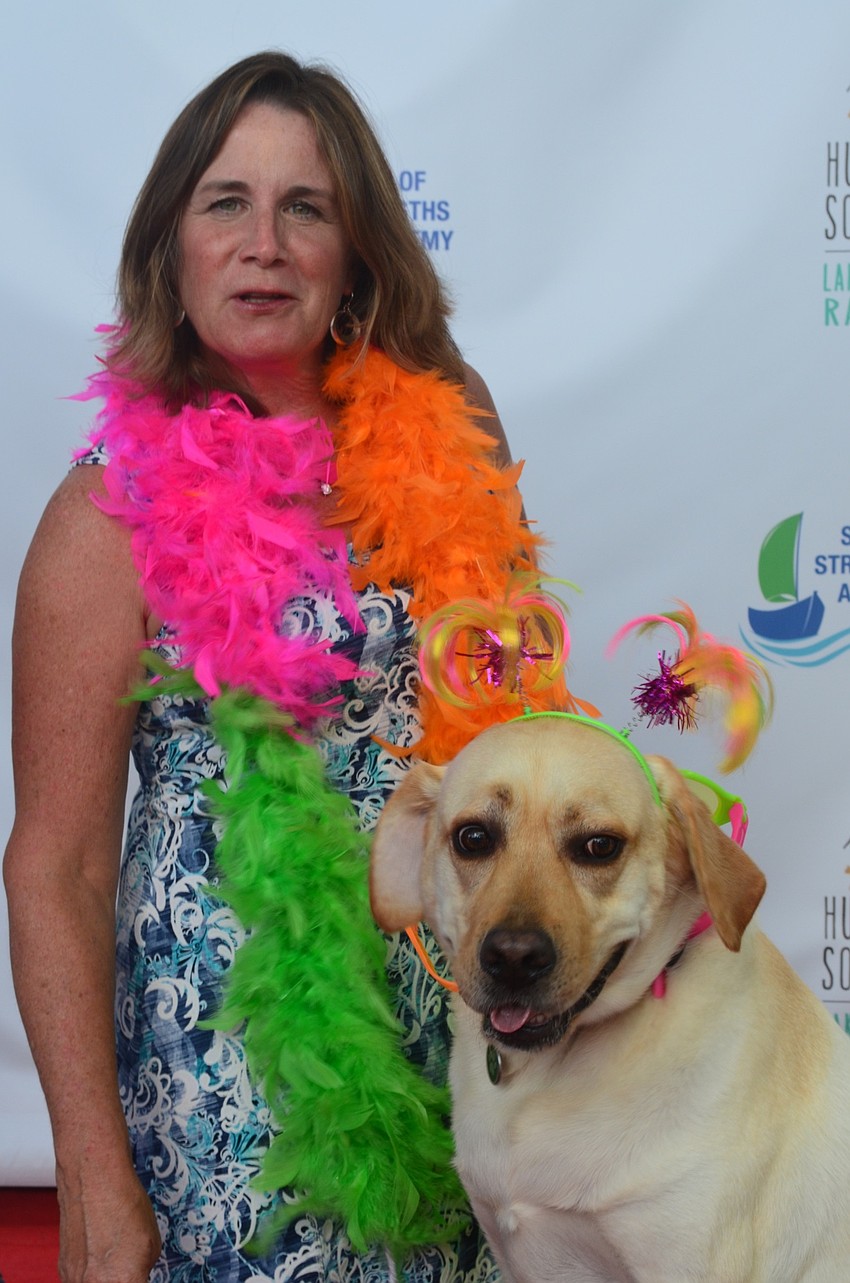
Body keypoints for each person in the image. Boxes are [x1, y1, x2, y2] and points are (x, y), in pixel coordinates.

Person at [4, 51, 541, 1283]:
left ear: (357, 250)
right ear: (171, 247)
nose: (264, 242)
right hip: (239, 1054)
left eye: (305, 206)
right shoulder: (106, 515)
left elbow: (509, 725)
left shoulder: (455, 432)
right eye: (224, 203)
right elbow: (58, 863)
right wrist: (89, 1172)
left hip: (464, 1016)